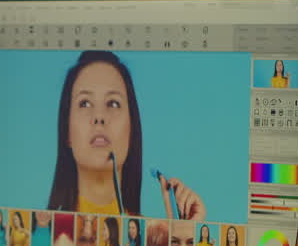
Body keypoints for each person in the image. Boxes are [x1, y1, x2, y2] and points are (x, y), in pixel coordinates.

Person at [47, 51, 205, 220]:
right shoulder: (39, 236)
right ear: (67, 132)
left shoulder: (150, 240)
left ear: (132, 130)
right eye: (84, 103)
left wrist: (183, 235)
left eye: (113, 103)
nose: (99, 116)